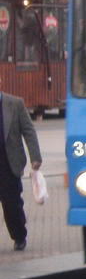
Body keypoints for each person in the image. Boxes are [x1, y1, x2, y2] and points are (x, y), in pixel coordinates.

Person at [0, 92, 41, 251]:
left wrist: (35, 157)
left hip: (8, 163)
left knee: (12, 205)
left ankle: (19, 236)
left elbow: (28, 131)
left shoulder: (15, 103)